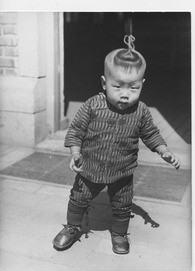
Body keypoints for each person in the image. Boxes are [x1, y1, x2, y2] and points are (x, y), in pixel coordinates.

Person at [53, 34, 180, 254]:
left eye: (133, 88)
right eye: (117, 86)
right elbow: (77, 130)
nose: (125, 95)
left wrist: (163, 150)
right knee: (79, 197)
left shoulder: (141, 111)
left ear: (142, 84)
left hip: (123, 172)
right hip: (90, 168)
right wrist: (75, 153)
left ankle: (120, 234)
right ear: (104, 82)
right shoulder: (93, 105)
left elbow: (150, 133)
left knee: (123, 204)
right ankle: (72, 226)